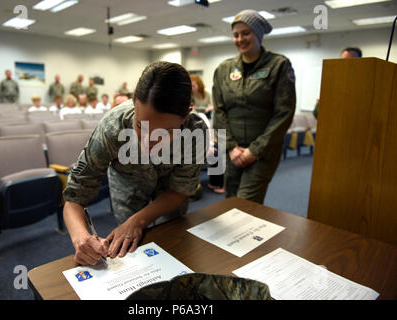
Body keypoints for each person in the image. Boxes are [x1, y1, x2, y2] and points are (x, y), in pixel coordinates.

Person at [63, 61, 207, 264]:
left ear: (185, 117)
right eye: (140, 126)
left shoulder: (195, 133)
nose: (147, 142)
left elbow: (181, 189)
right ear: (133, 103)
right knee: (130, 248)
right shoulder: (112, 127)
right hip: (127, 184)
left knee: (171, 240)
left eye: (162, 133)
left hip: (170, 192)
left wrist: (139, 220)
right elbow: (74, 197)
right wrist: (81, 239)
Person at [212, 9, 296, 204]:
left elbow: (284, 113)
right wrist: (231, 147)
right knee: (230, 202)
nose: (240, 39)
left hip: (262, 153)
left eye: (246, 33)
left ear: (258, 34)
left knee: (246, 205)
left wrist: (254, 150)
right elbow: (220, 111)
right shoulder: (224, 69)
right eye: (235, 35)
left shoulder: (278, 65)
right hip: (232, 151)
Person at [313, 46, 362, 119]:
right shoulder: (333, 83)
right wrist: (321, 105)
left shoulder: (363, 85)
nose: (345, 64)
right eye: (343, 61)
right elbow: (317, 114)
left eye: (350, 61)